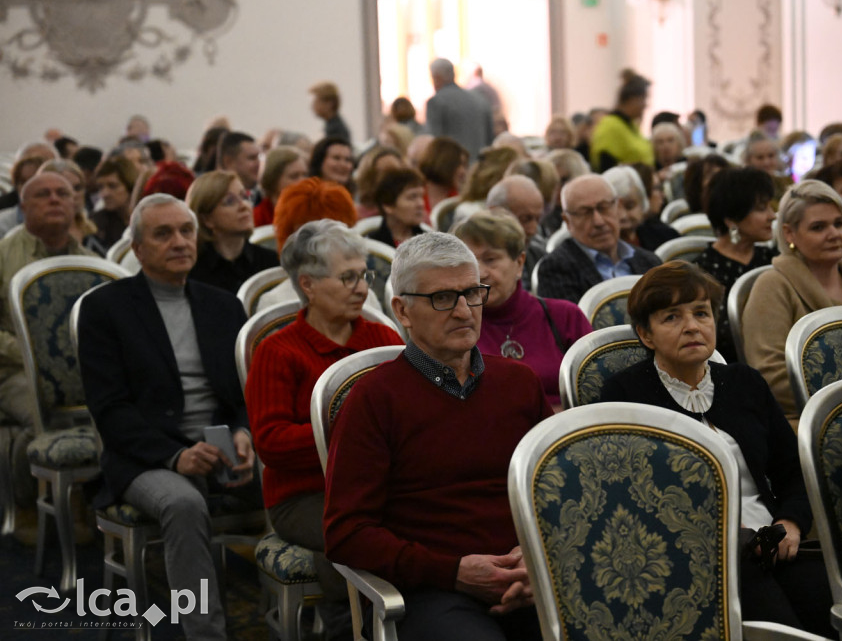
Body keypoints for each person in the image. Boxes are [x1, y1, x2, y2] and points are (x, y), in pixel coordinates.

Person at [323, 232, 551, 641]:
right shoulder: (374, 399)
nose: (464, 311)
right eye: (443, 298)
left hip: (529, 577)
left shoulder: (519, 383)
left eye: (472, 293)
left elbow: (552, 494)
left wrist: (535, 561)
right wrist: (454, 572)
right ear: (402, 310)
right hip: (432, 589)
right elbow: (347, 533)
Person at [598, 261, 832, 635]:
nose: (692, 326)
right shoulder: (624, 395)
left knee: (833, 612)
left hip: (776, 544)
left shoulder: (744, 382)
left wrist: (790, 522)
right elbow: (625, 500)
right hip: (699, 561)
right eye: (672, 317)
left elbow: (793, 470)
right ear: (646, 334)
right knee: (783, 630)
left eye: (701, 313)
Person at [78, 194, 261, 640]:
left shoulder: (224, 306)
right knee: (183, 503)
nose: (179, 241)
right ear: (137, 249)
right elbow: (110, 410)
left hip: (217, 440)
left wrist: (242, 433)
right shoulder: (106, 309)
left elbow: (243, 395)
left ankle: (319, 616)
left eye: (186, 230)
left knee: (306, 477)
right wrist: (174, 457)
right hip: (146, 452)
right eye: (163, 234)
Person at [247, 220, 403, 637]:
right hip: (304, 495)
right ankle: (349, 629)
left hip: (378, 482)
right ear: (308, 285)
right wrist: (353, 435)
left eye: (365, 275)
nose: (362, 288)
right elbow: (271, 444)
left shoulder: (382, 338)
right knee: (358, 534)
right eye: (347, 277)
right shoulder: (277, 352)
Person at [743, 181, 842, 421]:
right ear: (789, 233)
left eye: (838, 224)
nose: (834, 234)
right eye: (818, 227)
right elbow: (769, 374)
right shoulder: (772, 286)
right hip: (807, 423)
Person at [0, 172, 98, 508]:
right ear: (23, 207)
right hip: (14, 371)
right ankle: (26, 506)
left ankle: (95, 501)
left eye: (63, 193)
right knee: (44, 414)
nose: (55, 199)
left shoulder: (91, 264)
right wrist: (34, 357)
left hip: (82, 370)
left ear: (75, 205)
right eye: (43, 194)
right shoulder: (3, 255)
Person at [453, 211, 591, 410]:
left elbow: (597, 394)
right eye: (469, 263)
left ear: (519, 263)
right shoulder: (451, 325)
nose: (480, 273)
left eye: (490, 259)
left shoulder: (565, 317)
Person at [693, 167, 778, 363]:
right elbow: (715, 336)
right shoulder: (703, 271)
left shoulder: (773, 258)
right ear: (731, 219)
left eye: (770, 207)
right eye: (761, 208)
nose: (772, 216)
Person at [535, 174, 662, 303]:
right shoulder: (555, 269)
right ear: (567, 221)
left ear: (617, 208)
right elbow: (567, 323)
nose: (598, 221)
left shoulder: (650, 262)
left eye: (604, 207)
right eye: (585, 212)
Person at [256, 177, 361, 313]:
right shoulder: (274, 302)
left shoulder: (363, 294)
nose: (320, 246)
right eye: (309, 235)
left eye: (332, 234)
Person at [186, 170, 279, 294]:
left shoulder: (271, 261)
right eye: (230, 201)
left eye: (245, 196)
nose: (244, 206)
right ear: (207, 219)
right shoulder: (192, 271)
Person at [426, 58, 494, 161]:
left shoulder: (436, 102)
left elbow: (435, 141)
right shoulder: (478, 99)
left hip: (453, 166)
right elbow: (490, 137)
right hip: (479, 164)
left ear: (437, 78)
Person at [485, 175, 546, 289]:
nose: (533, 230)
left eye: (538, 219)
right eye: (525, 219)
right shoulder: (470, 262)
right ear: (495, 213)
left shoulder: (539, 254)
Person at [589, 69, 654, 171]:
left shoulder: (631, 126)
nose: (646, 105)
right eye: (644, 99)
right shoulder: (610, 127)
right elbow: (607, 169)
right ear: (632, 99)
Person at [603, 165, 678, 251]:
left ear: (643, 204)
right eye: (614, 208)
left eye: (629, 206)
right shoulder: (596, 250)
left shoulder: (665, 237)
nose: (622, 215)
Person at [369, 167, 428, 247]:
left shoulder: (430, 242)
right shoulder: (372, 246)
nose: (421, 204)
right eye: (412, 197)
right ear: (388, 206)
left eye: (421, 196)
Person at [89, 156, 138, 250]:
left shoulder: (146, 218)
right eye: (101, 187)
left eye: (112, 186)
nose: (104, 194)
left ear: (129, 186)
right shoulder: (97, 223)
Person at [254, 146, 307, 227]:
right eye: (294, 176)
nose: (303, 181)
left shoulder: (315, 212)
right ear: (273, 179)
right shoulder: (257, 217)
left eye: (304, 175)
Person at [419, 136, 469, 215]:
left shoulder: (462, 203)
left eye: (465, 166)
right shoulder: (415, 194)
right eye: (457, 164)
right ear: (442, 163)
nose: (463, 171)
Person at [354, 145, 405, 219]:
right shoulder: (357, 216)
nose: (392, 178)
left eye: (396, 172)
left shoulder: (411, 213)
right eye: (385, 173)